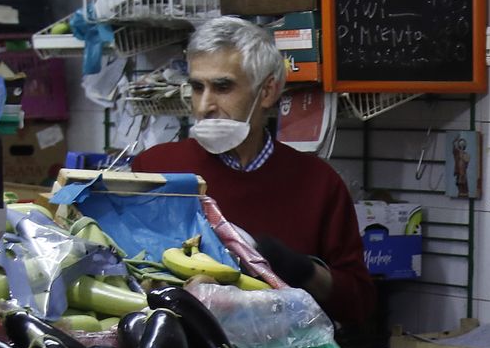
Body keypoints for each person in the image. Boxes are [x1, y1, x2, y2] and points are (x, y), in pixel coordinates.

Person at [134, 17, 375, 327]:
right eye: (197, 87)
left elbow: (359, 305)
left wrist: (305, 272)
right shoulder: (155, 170)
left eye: (222, 87)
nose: (205, 105)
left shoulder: (317, 183)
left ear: (267, 92)